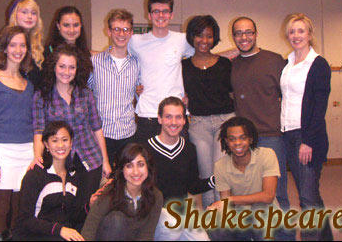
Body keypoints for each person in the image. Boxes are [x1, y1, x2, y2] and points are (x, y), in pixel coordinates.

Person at [230, 16, 294, 241]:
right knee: (248, 195)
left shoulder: (275, 60)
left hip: (272, 138)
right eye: (238, 33)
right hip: (242, 142)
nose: (244, 37)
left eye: (248, 32)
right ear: (233, 37)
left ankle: (285, 237)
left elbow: (290, 95)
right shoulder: (233, 64)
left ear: (256, 34)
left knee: (277, 196)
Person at [31, 43, 112, 209]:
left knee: (85, 207)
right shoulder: (42, 96)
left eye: (71, 67)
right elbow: (39, 131)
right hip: (60, 160)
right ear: (54, 67)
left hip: (90, 157)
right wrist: (37, 156)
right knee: (65, 206)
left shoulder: (85, 93)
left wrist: (105, 161)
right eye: (62, 66)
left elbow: (97, 127)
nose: (66, 72)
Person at [0, 26, 35, 241]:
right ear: (4, 48)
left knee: (20, 209)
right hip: (1, 153)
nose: (18, 49)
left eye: (22, 45)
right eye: (13, 45)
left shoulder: (28, 84)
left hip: (26, 153)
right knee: (1, 210)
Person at [281, 13, 333, 241]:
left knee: (308, 200)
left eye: (300, 31)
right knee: (310, 196)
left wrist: (307, 141)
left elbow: (319, 108)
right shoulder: (288, 63)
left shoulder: (318, 64)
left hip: (307, 137)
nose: (296, 36)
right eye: (292, 31)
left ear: (310, 34)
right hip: (288, 135)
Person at [142, 97, 215, 241]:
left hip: (181, 213)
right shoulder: (145, 149)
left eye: (178, 117)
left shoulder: (189, 148)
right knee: (172, 225)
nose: (174, 122)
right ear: (159, 119)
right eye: (168, 117)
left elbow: (193, 186)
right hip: (153, 214)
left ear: (184, 120)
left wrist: (215, 180)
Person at [182, 15, 235, 208]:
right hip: (198, 125)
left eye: (209, 36)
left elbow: (234, 93)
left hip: (225, 122)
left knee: (220, 173)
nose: (204, 40)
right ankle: (210, 226)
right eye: (199, 35)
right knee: (205, 175)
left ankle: (223, 222)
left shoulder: (225, 64)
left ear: (215, 38)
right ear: (192, 37)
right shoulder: (184, 66)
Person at [128, 0, 195, 143]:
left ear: (171, 15)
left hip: (176, 115)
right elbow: (116, 56)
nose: (161, 15)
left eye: (165, 11)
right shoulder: (136, 41)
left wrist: (237, 51)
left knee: (178, 163)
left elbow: (204, 59)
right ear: (149, 15)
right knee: (148, 163)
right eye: (156, 11)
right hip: (148, 114)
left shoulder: (183, 40)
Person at [208, 116, 280, 241]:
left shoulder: (267, 154)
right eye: (232, 139)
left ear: (250, 139)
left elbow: (268, 196)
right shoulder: (220, 165)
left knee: (260, 209)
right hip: (239, 217)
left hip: (267, 213)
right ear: (226, 141)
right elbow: (225, 201)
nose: (237, 143)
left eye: (243, 138)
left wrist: (231, 199)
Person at [13, 121, 88, 241]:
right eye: (54, 140)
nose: (60, 145)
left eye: (65, 140)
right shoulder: (36, 174)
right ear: (46, 145)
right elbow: (24, 220)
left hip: (60, 234)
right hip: (33, 235)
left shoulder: (73, 176)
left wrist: (90, 206)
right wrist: (59, 230)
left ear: (71, 143)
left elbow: (72, 216)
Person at [81, 143, 163, 241]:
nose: (136, 172)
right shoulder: (109, 192)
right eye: (129, 166)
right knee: (117, 219)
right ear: (122, 169)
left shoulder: (155, 196)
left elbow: (146, 235)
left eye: (140, 165)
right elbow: (88, 232)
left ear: (148, 167)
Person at [88, 9, 140, 165]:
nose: (121, 34)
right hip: (101, 134)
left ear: (131, 32)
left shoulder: (137, 64)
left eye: (125, 29)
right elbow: (84, 93)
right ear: (109, 31)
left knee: (126, 182)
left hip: (128, 133)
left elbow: (141, 94)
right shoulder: (95, 62)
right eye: (116, 29)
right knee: (103, 184)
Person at [0, 0, 44, 89]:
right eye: (24, 12)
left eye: (33, 13)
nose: (29, 16)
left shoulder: (39, 49)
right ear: (14, 14)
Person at [43, 6, 96, 70]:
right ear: (58, 26)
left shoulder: (85, 53)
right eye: (66, 25)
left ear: (81, 25)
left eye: (76, 25)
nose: (71, 30)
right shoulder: (48, 52)